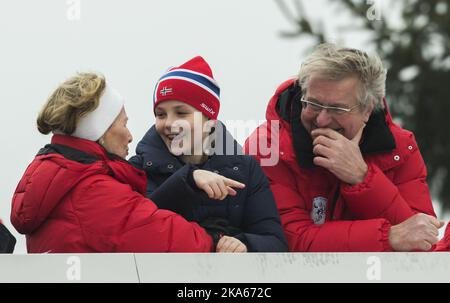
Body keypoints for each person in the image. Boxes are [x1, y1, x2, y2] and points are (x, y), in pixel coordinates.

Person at [245, 43, 445, 252]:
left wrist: (363, 178)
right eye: (313, 104)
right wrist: (388, 237)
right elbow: (290, 242)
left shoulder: (401, 148)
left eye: (337, 108)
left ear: (367, 109)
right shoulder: (268, 146)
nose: (321, 120)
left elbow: (421, 242)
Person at [10, 73, 213, 253]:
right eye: (124, 124)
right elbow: (179, 242)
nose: (130, 136)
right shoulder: (93, 192)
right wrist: (216, 239)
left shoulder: (56, 177)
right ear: (101, 131)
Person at [130, 56, 288, 252]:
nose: (169, 123)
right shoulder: (137, 168)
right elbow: (134, 229)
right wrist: (188, 179)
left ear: (209, 120)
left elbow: (274, 241)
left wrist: (244, 244)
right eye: (160, 114)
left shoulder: (246, 169)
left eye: (181, 113)